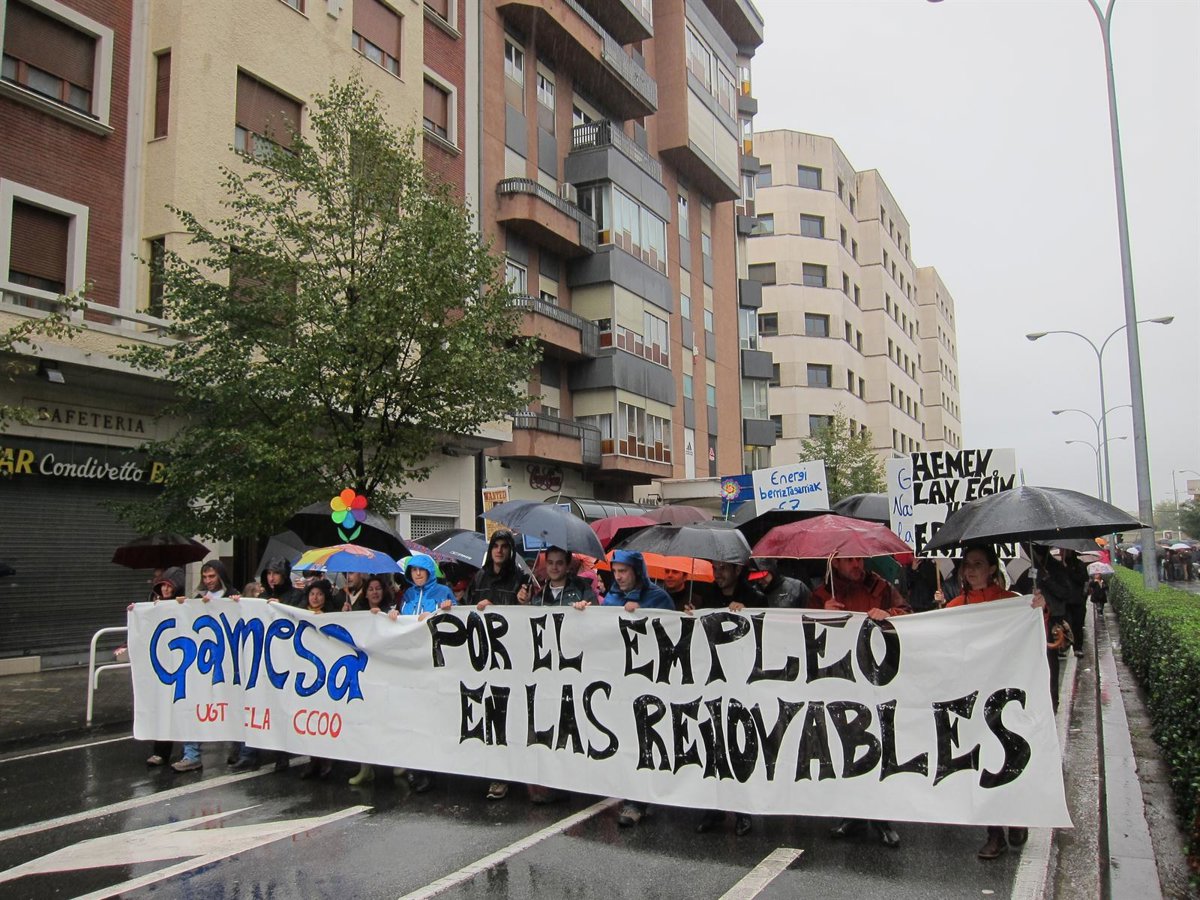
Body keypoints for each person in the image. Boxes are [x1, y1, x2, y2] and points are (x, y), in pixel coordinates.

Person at [933, 545, 1027, 860]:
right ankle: (994, 833)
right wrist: (937, 617)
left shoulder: (1010, 602)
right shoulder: (955, 605)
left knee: (1011, 759)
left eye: (978, 564)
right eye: (967, 564)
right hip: (972, 699)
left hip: (1007, 697)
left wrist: (1038, 609)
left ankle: (1017, 814)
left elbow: (1032, 636)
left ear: (991, 568)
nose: (971, 570)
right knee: (984, 763)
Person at [813, 555, 910, 848]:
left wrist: (889, 612)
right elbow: (801, 630)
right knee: (846, 747)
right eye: (849, 560)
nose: (856, 565)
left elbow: (907, 613)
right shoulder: (822, 594)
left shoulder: (881, 587)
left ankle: (881, 817)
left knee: (878, 746)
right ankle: (852, 813)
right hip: (840, 682)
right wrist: (820, 613)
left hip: (876, 679)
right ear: (835, 564)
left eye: (859, 559)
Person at [574, 549, 672, 827]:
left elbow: (673, 632)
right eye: (615, 572)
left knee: (646, 738)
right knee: (628, 738)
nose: (618, 577)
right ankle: (634, 796)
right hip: (619, 681)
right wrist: (584, 613)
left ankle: (638, 800)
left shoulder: (658, 598)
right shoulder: (612, 599)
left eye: (623, 571)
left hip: (650, 679)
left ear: (637, 572)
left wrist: (643, 615)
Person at [465, 530, 531, 801]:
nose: (500, 550)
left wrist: (521, 602)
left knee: (506, 714)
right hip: (482, 655)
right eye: (496, 545)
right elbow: (465, 608)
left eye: (505, 546)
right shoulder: (479, 578)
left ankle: (504, 773)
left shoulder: (520, 579)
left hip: (509, 656)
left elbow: (525, 618)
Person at [172, 560, 236, 774]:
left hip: (227, 663)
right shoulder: (197, 598)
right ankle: (191, 754)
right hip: (202, 662)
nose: (208, 581)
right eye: (205, 577)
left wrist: (235, 603)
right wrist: (182, 605)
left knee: (232, 705)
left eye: (212, 576)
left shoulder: (233, 596)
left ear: (221, 576)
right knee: (194, 706)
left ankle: (238, 749)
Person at [299, 579, 337, 780]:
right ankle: (312, 759)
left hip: (326, 670)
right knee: (309, 716)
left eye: (320, 594)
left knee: (325, 714)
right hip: (306, 670)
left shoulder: (331, 615)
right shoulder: (298, 613)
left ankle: (327, 759)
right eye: (312, 594)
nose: (315, 598)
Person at [391, 555, 456, 619]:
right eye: (414, 569)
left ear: (429, 571)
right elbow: (403, 616)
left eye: (422, 569)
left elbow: (456, 617)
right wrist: (396, 615)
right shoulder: (408, 593)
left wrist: (449, 609)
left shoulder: (444, 591)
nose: (418, 573)